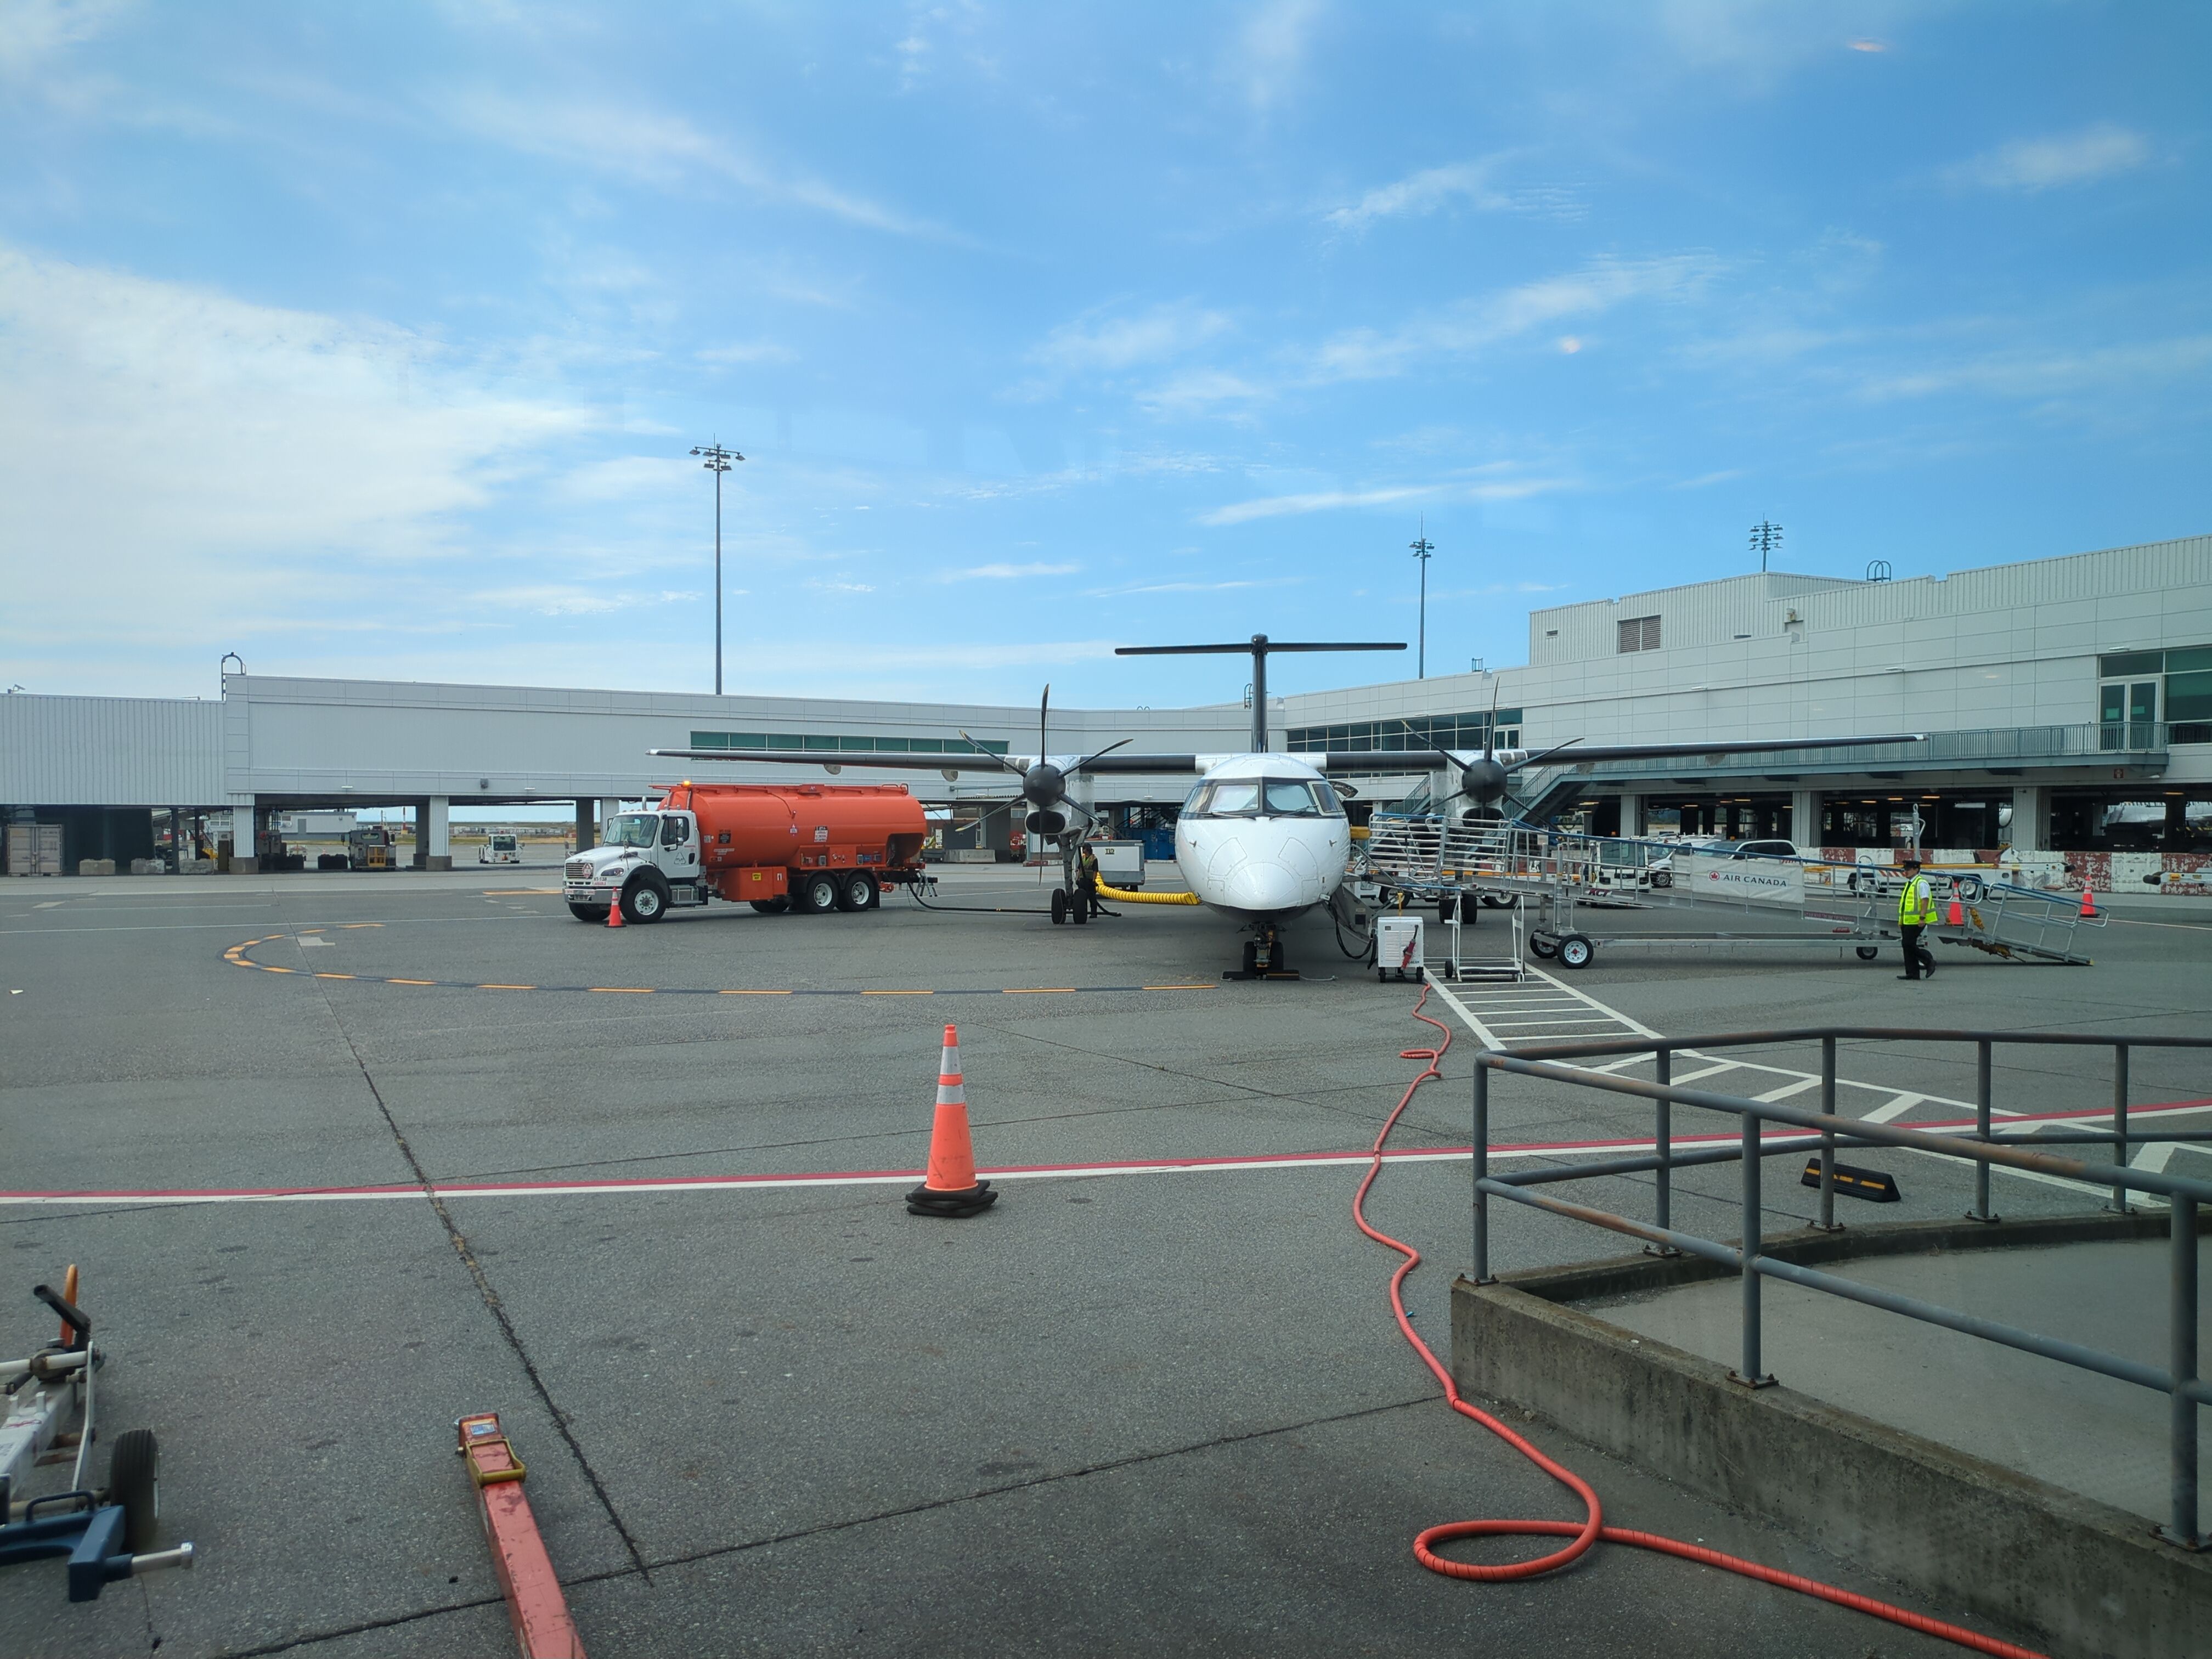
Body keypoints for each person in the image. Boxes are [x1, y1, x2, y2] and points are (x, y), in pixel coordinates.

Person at [1896, 856, 1937, 981]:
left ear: (1916, 869)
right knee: (1907, 945)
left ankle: (1929, 961)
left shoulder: (1921, 883)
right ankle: (1913, 973)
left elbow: (1925, 901)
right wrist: (1901, 921)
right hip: (1907, 921)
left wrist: (1922, 918)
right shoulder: (1910, 883)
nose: (1906, 871)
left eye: (1908, 869)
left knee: (1908, 944)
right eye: (1905, 869)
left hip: (1917, 921)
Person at [1076, 840, 1104, 918]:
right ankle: (1083, 912)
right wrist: (1077, 879)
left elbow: (1095, 871)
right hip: (1082, 880)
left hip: (1089, 881)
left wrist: (1093, 881)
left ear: (1087, 850)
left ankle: (1094, 913)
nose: (1083, 850)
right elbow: (1079, 869)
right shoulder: (1083, 858)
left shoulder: (1094, 859)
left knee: (1092, 897)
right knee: (1082, 898)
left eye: (1084, 849)